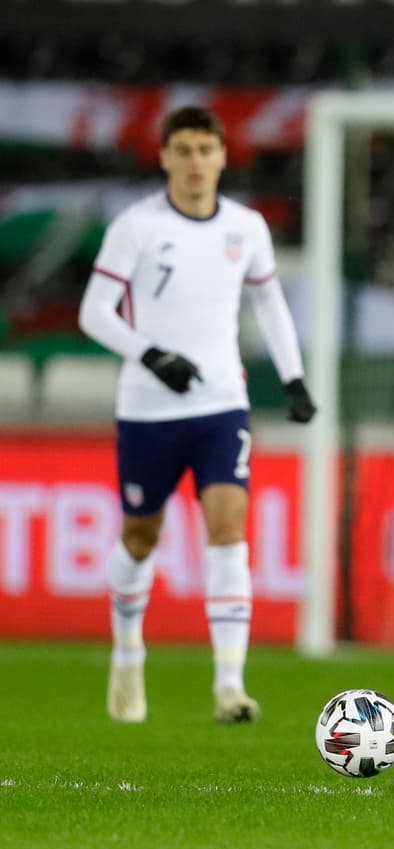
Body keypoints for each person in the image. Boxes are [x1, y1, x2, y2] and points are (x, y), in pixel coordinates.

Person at [78, 105, 315, 724]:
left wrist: (294, 378)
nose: (194, 162)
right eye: (181, 150)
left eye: (204, 150)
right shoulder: (135, 226)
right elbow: (94, 312)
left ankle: (230, 685)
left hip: (221, 403)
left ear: (221, 157)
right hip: (147, 408)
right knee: (140, 535)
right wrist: (150, 354)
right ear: (163, 157)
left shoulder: (246, 226)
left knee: (228, 525)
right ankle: (128, 649)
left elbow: (269, 307)